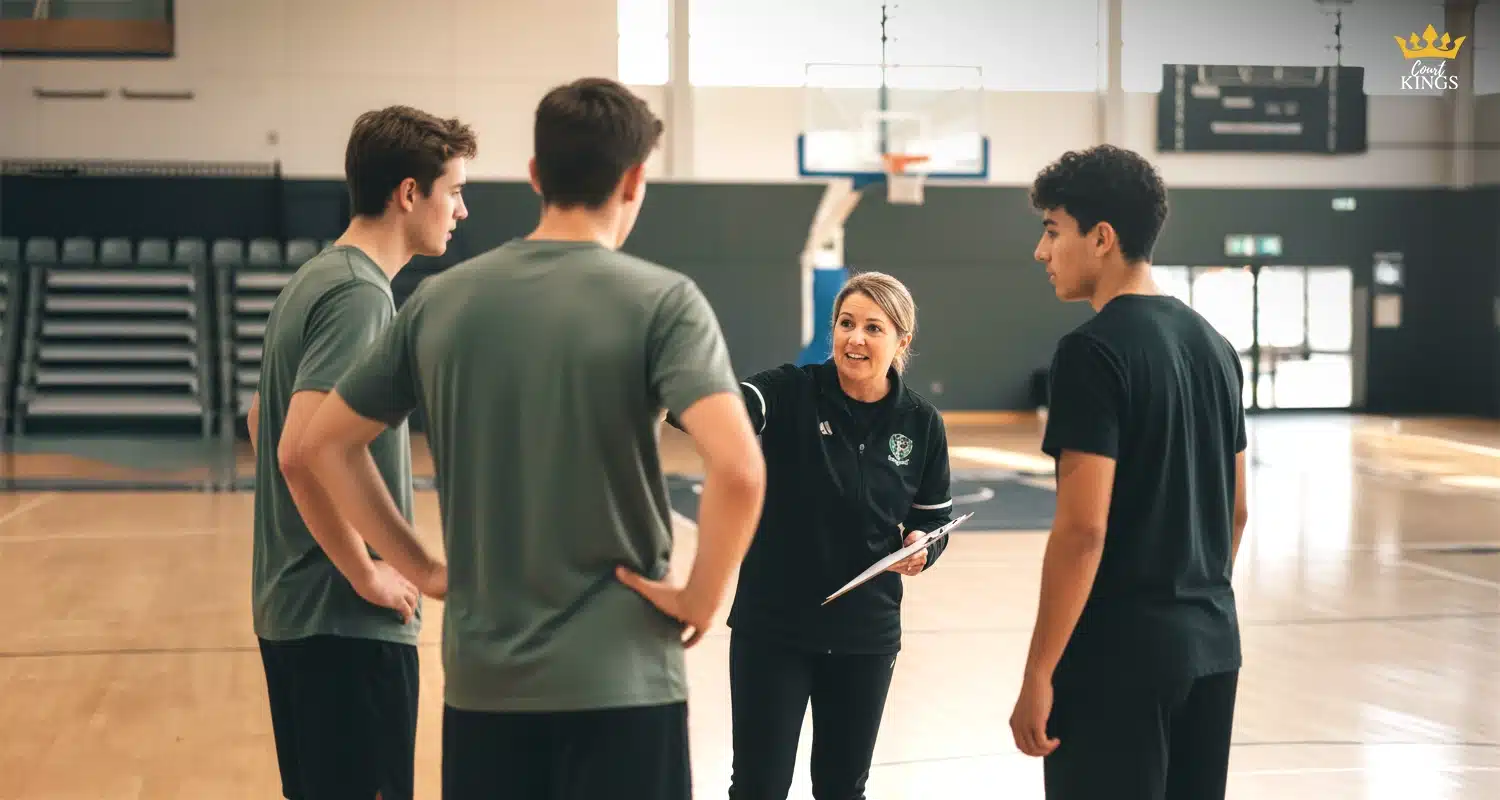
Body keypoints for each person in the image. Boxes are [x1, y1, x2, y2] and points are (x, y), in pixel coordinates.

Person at [288, 77, 767, 800]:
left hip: (486, 689)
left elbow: (322, 446)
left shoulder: (441, 300)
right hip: (626, 684)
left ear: (537, 175)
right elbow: (739, 470)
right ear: (635, 179)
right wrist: (703, 597)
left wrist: (420, 568)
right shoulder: (665, 301)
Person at [246, 105, 473, 800]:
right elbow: (298, 450)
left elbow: (262, 421)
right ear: (410, 193)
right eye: (455, 190)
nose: (461, 210)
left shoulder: (318, 277)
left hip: (297, 614)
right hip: (342, 623)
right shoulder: (359, 297)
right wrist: (371, 571)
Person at [1008, 144, 1248, 800]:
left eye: (1053, 231)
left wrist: (1039, 672)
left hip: (1118, 661)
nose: (1041, 251)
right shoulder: (1218, 348)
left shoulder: (1090, 353)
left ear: (1103, 238)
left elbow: (1084, 530)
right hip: (1213, 647)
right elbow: (1238, 509)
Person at [671, 270, 955, 800]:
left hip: (865, 636)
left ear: (902, 340)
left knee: (843, 788)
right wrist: (688, 389)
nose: (855, 338)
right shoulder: (789, 391)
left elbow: (935, 517)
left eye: (873, 327)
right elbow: (725, 410)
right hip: (774, 629)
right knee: (758, 785)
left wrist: (923, 546)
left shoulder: (921, 423)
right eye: (846, 324)